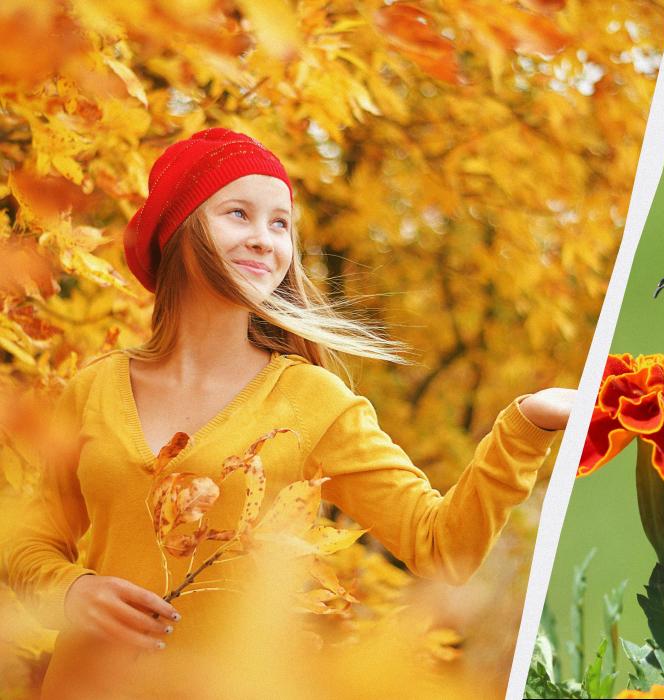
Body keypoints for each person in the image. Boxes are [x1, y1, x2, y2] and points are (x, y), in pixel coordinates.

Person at [1, 128, 575, 697]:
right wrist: (73, 590)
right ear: (177, 229)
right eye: (238, 213)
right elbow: (29, 544)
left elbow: (441, 548)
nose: (264, 239)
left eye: (280, 224)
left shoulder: (313, 400)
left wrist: (528, 424)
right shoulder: (93, 388)